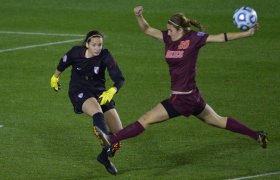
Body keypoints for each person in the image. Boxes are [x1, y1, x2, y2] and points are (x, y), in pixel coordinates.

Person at [94, 6, 268, 158]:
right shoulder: (169, 38)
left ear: (179, 29)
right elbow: (147, 30)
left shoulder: (194, 38)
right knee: (217, 120)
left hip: (182, 99)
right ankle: (257, 135)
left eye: (170, 29)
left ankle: (111, 139)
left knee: (146, 119)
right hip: (193, 97)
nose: (167, 32)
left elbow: (220, 37)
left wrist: (247, 33)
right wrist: (139, 16)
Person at [50, 30, 125, 175]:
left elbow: (119, 78)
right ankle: (104, 138)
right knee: (97, 112)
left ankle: (104, 157)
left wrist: (111, 91)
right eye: (94, 45)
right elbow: (63, 62)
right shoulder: (76, 52)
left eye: (100, 45)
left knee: (119, 135)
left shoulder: (105, 56)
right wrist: (55, 77)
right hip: (79, 91)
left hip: (100, 93)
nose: (97, 48)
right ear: (87, 45)